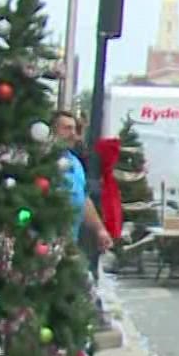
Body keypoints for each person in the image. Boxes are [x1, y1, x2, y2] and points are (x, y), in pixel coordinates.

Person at [54, 109, 115, 254]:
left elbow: (84, 198)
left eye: (74, 128)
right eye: (67, 128)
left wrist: (100, 230)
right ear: (52, 131)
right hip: (45, 242)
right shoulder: (44, 162)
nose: (73, 134)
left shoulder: (75, 163)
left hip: (69, 242)